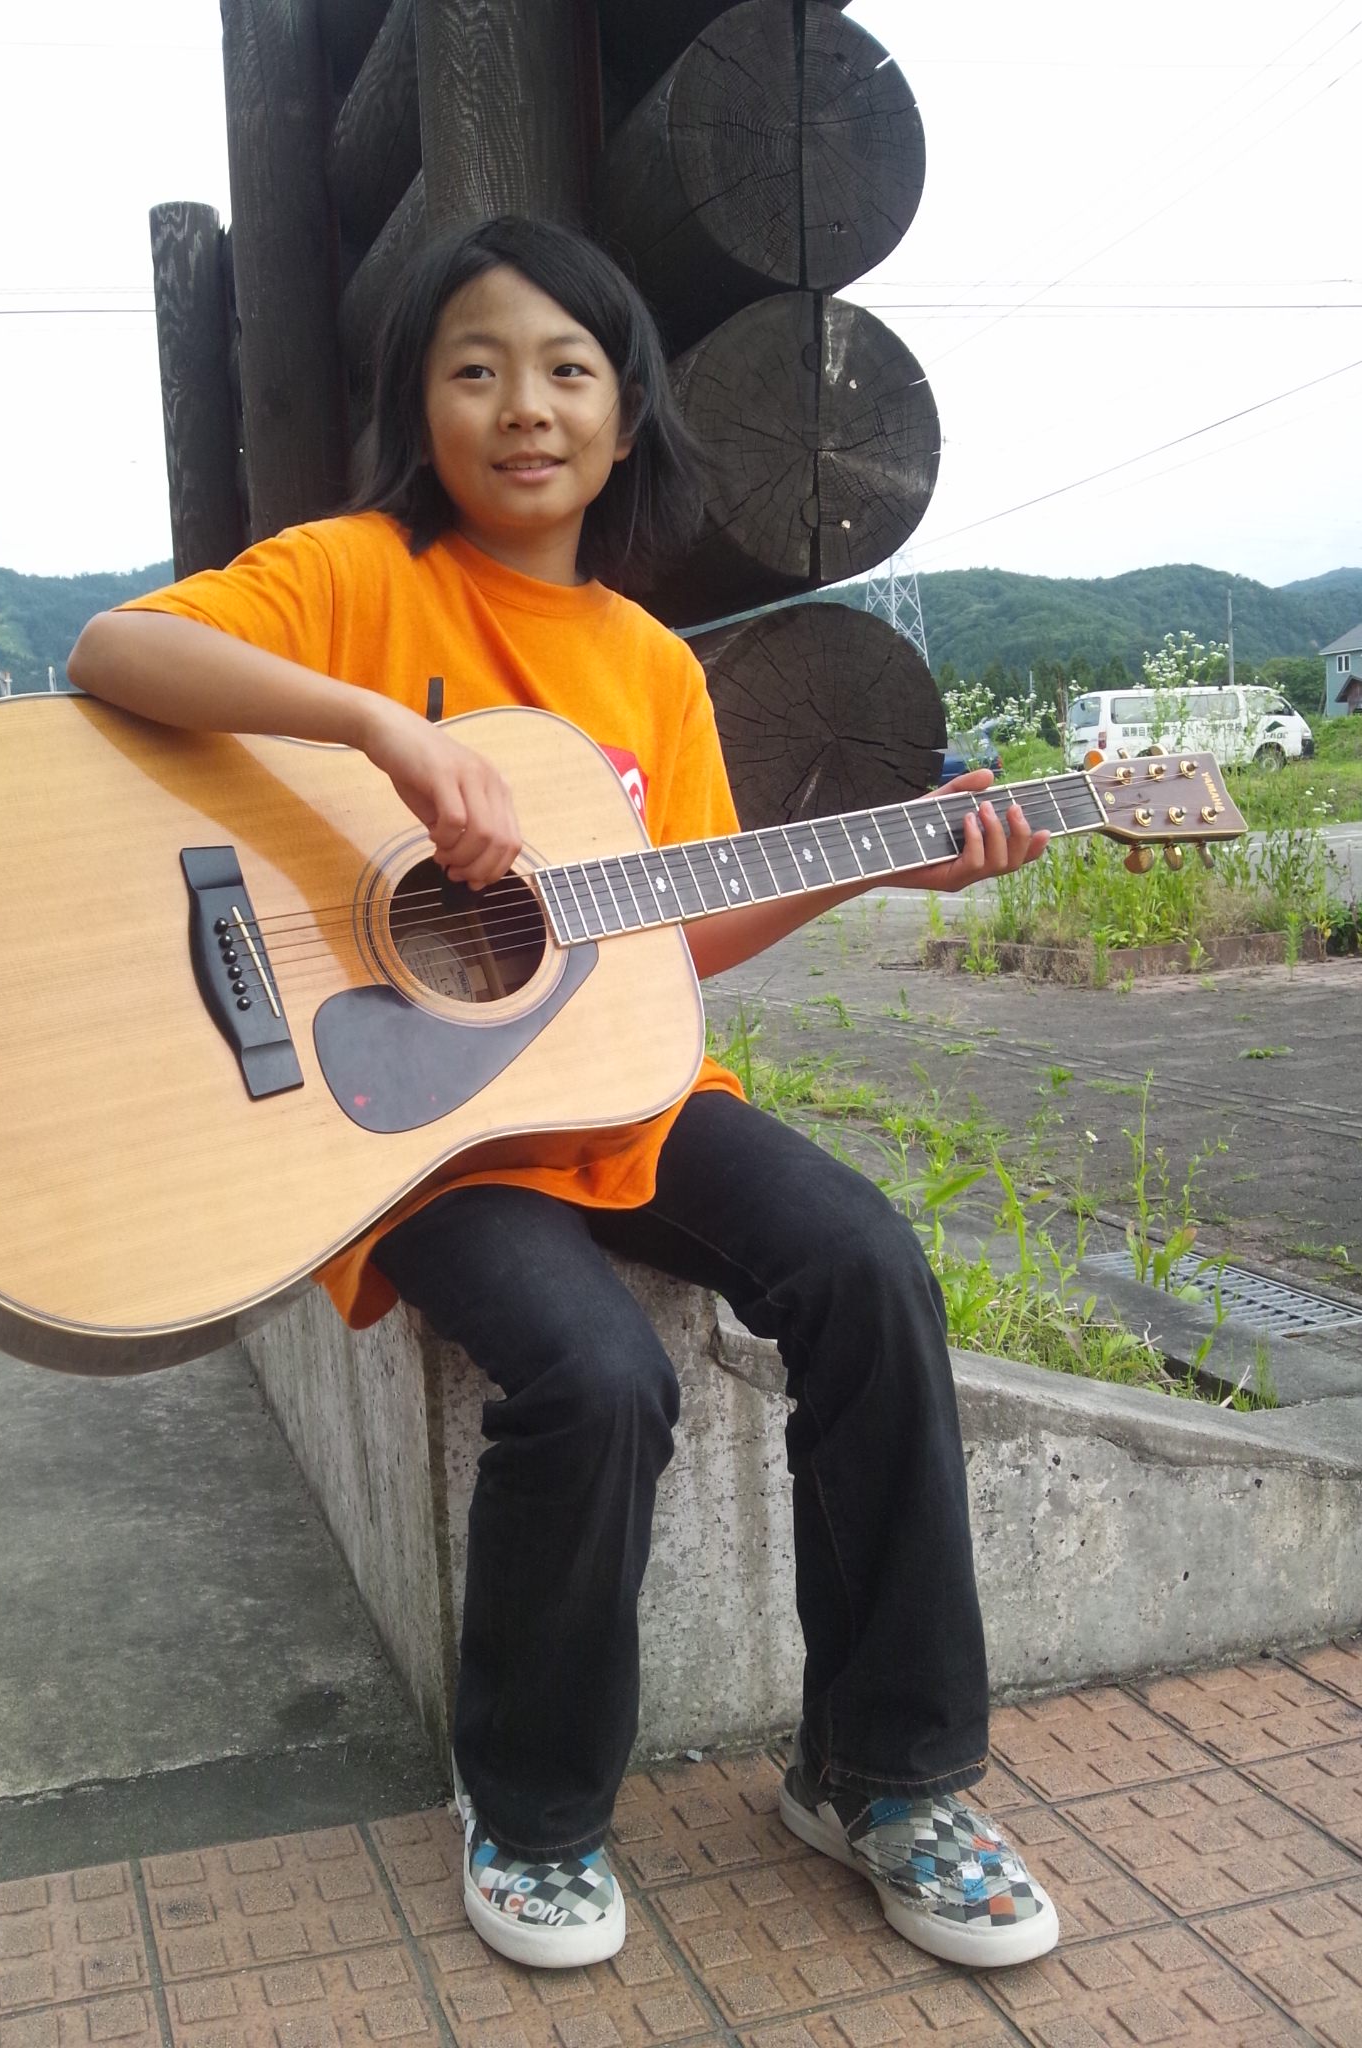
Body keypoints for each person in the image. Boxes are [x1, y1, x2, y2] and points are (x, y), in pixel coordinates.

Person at [68, 215, 1059, 1975]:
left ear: (626, 416)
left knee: (869, 1265)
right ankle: (529, 1811)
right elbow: (113, 655)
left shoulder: (651, 665)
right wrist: (383, 731)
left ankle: (884, 1776)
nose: (523, 405)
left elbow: (674, 930)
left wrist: (874, 864)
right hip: (417, 1136)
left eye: (566, 370)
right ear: (420, 406)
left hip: (624, 1092)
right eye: (476, 368)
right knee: (598, 1375)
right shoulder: (354, 577)